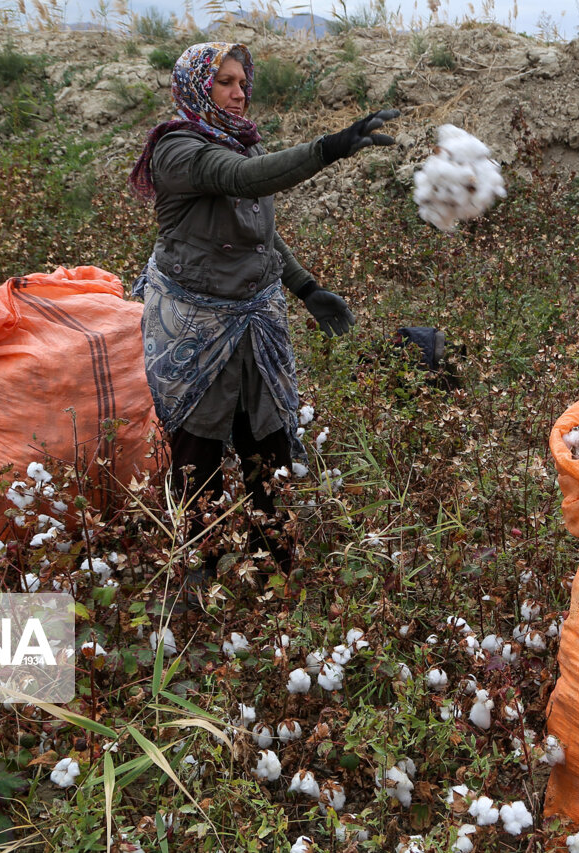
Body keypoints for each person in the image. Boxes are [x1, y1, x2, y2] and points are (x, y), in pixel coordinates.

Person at [128, 42, 399, 604]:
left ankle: (272, 558)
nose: (238, 91)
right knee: (197, 444)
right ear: (198, 87)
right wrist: (330, 147)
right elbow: (245, 181)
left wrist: (306, 287)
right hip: (196, 324)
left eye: (242, 82)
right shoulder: (178, 151)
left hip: (255, 316)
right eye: (225, 81)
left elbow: (260, 232)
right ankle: (194, 569)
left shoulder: (238, 142)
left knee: (267, 435)